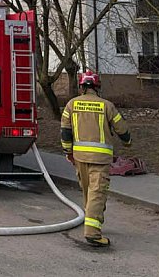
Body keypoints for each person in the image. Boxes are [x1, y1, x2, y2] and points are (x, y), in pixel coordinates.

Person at [61, 70, 131, 248]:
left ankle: (93, 221)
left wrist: (68, 152)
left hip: (79, 158)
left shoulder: (71, 105)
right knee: (97, 194)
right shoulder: (106, 106)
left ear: (82, 87)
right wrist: (128, 141)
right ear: (97, 87)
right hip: (100, 159)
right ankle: (92, 233)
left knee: (88, 193)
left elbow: (65, 132)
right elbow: (121, 128)